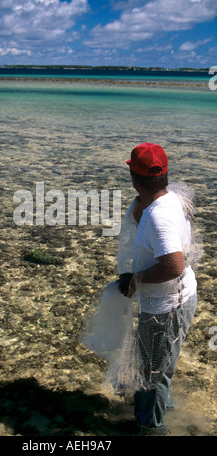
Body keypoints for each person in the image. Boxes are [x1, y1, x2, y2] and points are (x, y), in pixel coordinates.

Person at [118, 142, 198, 436]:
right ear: (164, 176)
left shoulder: (158, 215)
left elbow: (172, 266)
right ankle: (163, 409)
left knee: (151, 372)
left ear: (134, 177)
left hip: (166, 307)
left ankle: (151, 428)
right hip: (178, 298)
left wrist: (135, 280)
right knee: (159, 363)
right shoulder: (170, 199)